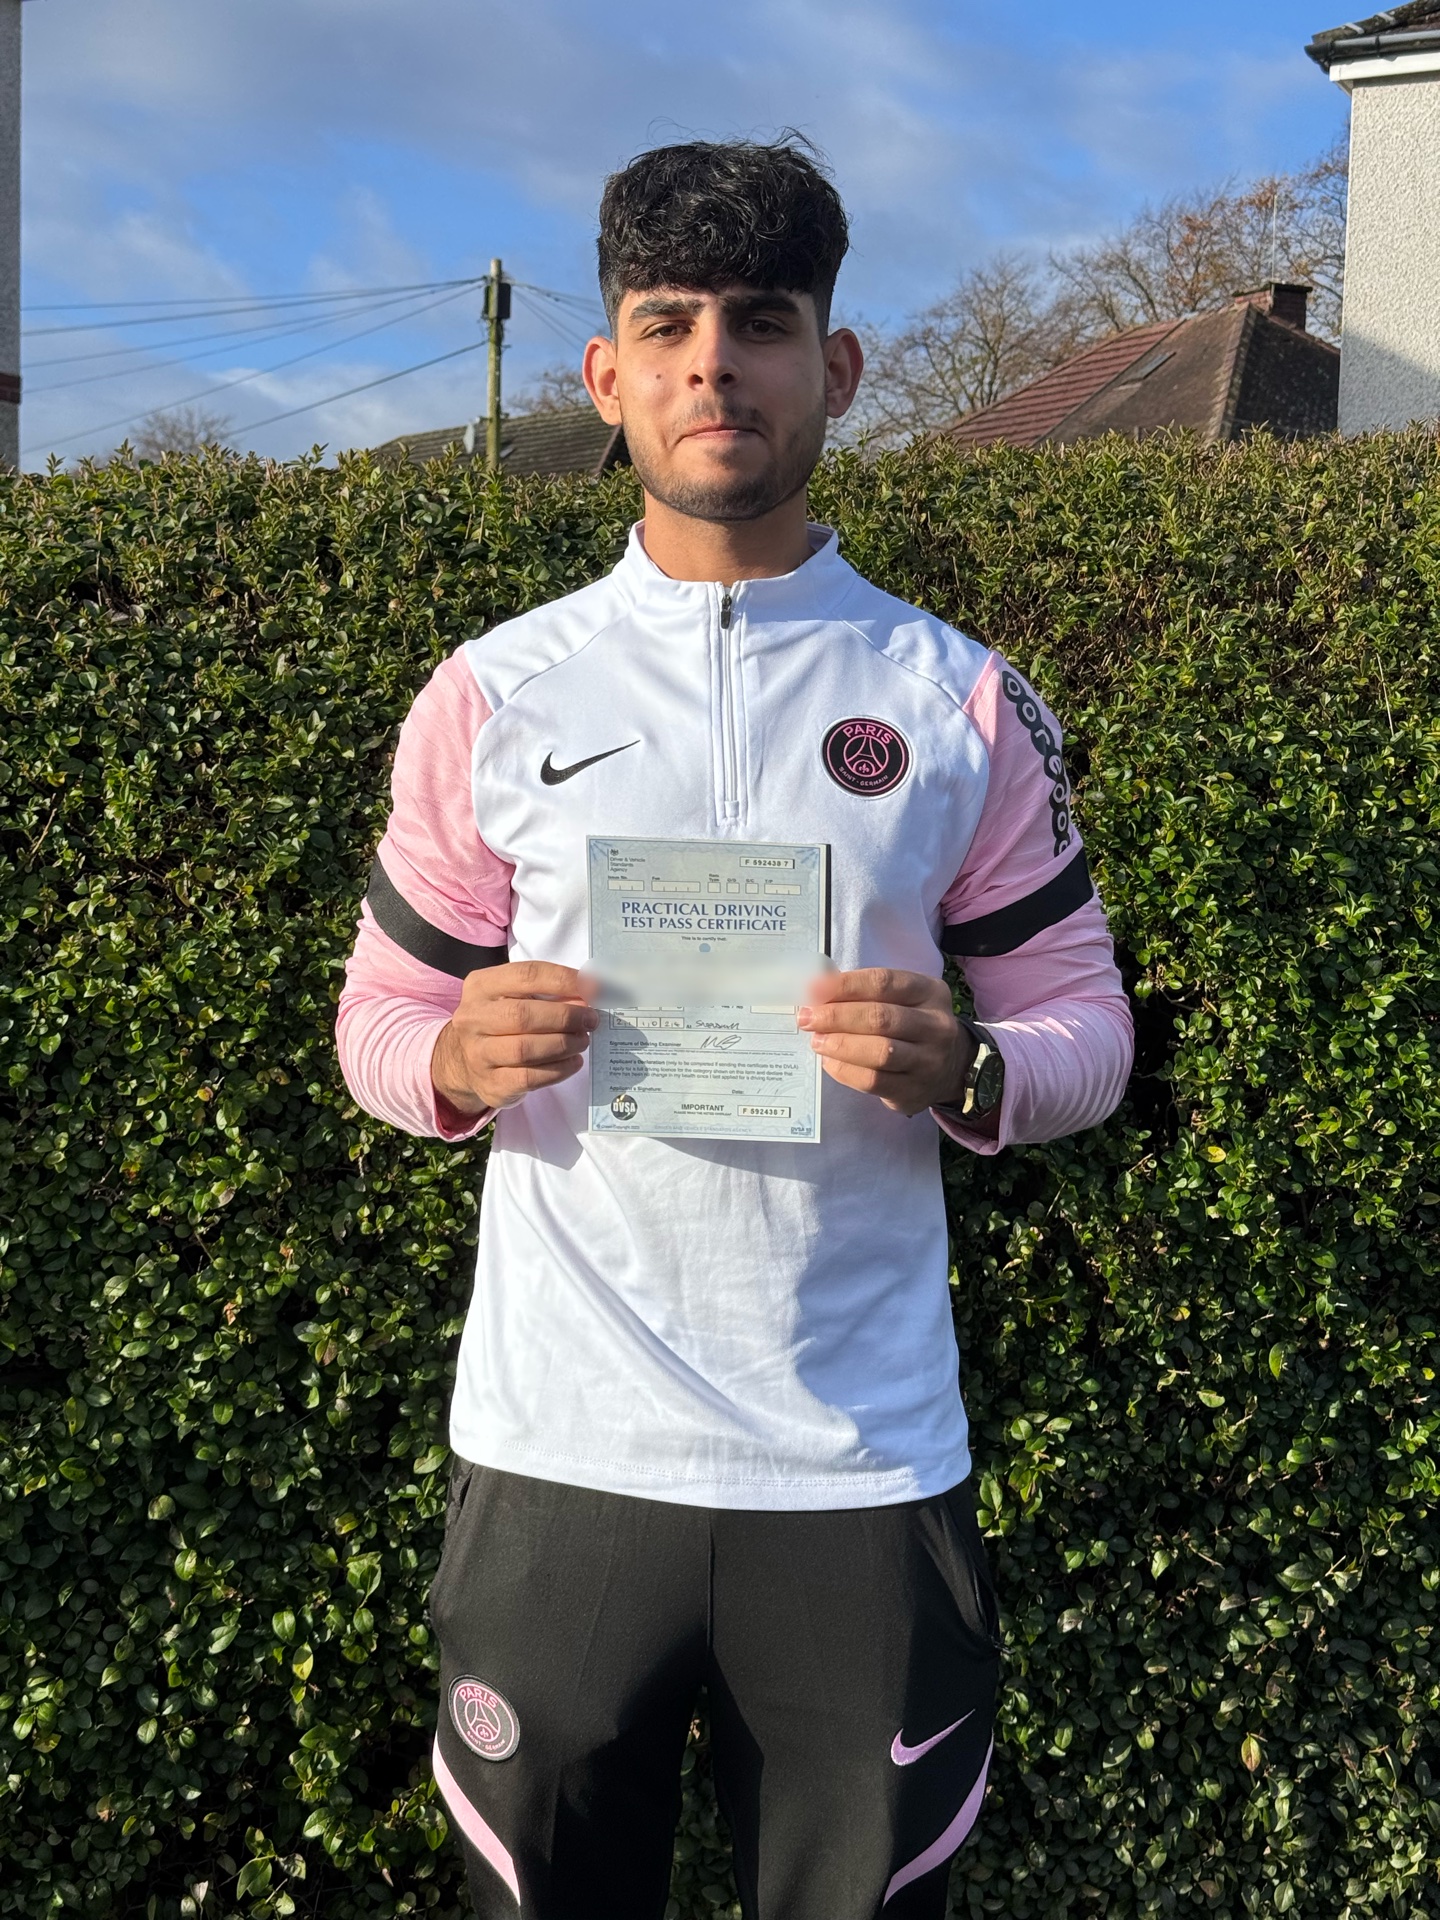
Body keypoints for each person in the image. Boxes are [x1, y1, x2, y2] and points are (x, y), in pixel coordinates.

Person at [337, 138, 1132, 1920]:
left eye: (762, 323)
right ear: (606, 374)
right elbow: (379, 1021)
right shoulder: (493, 691)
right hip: (562, 1455)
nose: (717, 365)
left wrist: (975, 1067)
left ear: (834, 367)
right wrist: (455, 1061)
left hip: (856, 1466)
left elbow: (1086, 1024)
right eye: (669, 323)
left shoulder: (957, 697)